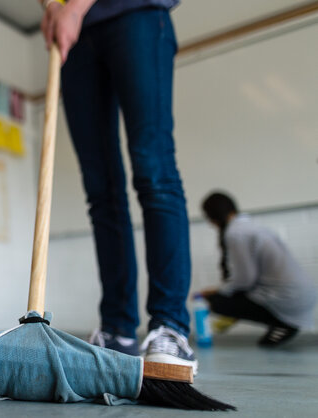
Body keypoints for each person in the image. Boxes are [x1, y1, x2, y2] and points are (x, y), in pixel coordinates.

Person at [40, 0, 197, 370]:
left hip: (136, 13)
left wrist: (75, 8)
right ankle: (117, 329)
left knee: (153, 171)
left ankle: (169, 325)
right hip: (75, 39)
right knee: (101, 190)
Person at [200, 192, 316, 347]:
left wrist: (218, 291)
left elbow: (245, 279)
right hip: (304, 294)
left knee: (216, 302)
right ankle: (281, 324)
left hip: (289, 299)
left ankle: (284, 324)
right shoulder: (251, 225)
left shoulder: (235, 233)